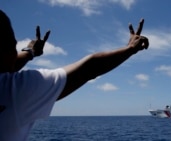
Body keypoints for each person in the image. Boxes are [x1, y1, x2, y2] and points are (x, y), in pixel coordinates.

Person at [0, 9, 149, 141]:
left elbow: (8, 63)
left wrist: (29, 52)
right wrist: (130, 49)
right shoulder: (15, 92)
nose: (16, 52)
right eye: (13, 45)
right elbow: (89, 68)